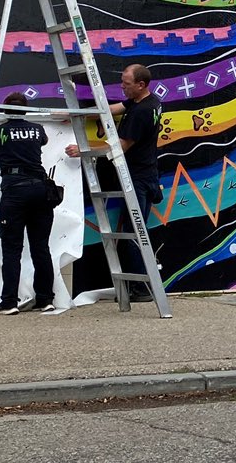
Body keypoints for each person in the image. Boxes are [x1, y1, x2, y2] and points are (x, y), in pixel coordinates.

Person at [65, 64, 163, 303]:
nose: (122, 86)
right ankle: (139, 285)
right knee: (133, 231)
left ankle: (141, 288)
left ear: (140, 85)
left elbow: (119, 148)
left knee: (134, 232)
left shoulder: (142, 112)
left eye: (126, 84)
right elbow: (114, 109)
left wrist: (83, 151)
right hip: (143, 174)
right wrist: (79, 114)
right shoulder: (146, 101)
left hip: (138, 179)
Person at [0, 91, 55, 315]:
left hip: (15, 192)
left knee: (12, 248)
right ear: (26, 110)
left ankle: (10, 301)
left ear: (4, 110)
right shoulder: (37, 130)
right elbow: (45, 140)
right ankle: (45, 299)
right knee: (41, 247)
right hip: (41, 190)